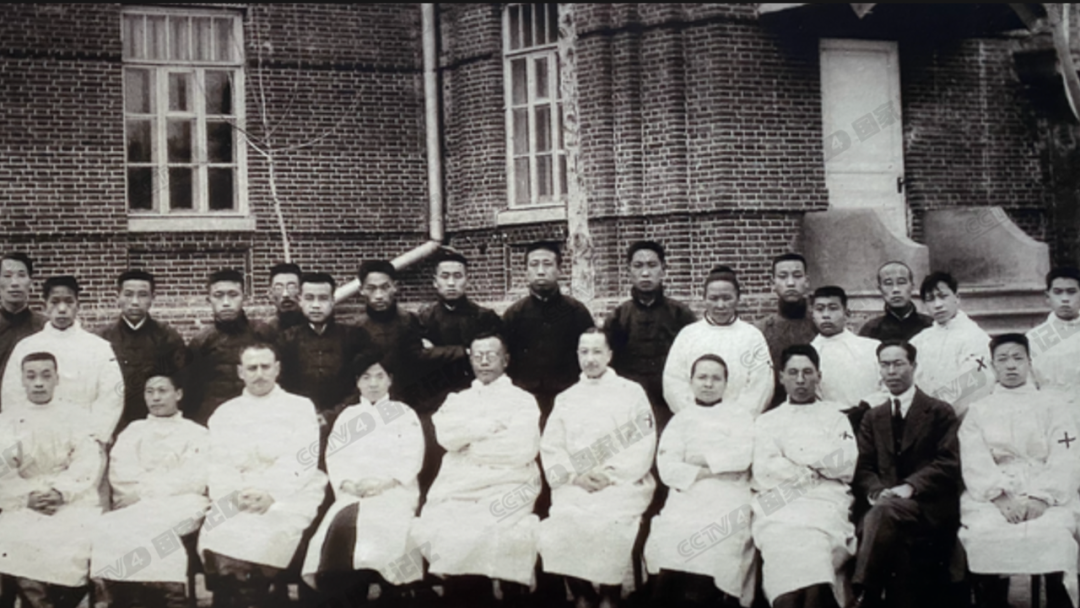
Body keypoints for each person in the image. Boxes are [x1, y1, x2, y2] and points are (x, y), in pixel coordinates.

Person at [411, 332, 541, 608]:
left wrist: (471, 445)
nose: (484, 362)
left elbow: (521, 448)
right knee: (444, 523)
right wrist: (486, 429)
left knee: (490, 525)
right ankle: (463, 593)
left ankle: (498, 592)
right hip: (461, 483)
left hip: (508, 481)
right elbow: (447, 437)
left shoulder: (523, 400)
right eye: (477, 356)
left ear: (505, 360)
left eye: (491, 355)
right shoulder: (457, 400)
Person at [198, 343, 327, 608]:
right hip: (238, 495)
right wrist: (236, 495)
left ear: (277, 369)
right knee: (223, 529)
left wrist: (271, 493)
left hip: (289, 491)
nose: (259, 374)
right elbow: (218, 463)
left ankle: (262, 594)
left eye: (265, 367)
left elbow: (301, 459)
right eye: (252, 368)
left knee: (268, 527)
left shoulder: (299, 407)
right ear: (240, 372)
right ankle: (240, 596)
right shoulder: (225, 413)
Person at [958, 333, 1080, 608]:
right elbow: (974, 459)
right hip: (995, 493)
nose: (1011, 365)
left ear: (1029, 363)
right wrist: (999, 497)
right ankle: (994, 600)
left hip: (1046, 488)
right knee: (984, 533)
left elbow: (1066, 455)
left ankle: (1057, 598)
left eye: (1017, 358)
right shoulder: (978, 410)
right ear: (993, 366)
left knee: (1054, 533)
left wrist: (1042, 497)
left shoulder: (1054, 406)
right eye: (1002, 359)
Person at [538, 328, 656, 608]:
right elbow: (552, 446)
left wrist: (611, 475)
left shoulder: (631, 392)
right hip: (576, 482)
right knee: (561, 521)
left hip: (622, 481)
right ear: (577, 355)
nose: (590, 359)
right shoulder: (566, 398)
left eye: (597, 351)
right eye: (584, 352)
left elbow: (643, 441)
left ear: (609, 355)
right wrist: (575, 476)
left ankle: (609, 592)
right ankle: (582, 592)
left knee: (609, 522)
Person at [302, 354, 425, 606]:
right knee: (342, 526)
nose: (373, 383)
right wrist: (349, 484)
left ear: (390, 380)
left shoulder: (404, 414)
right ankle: (349, 592)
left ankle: (394, 591)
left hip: (393, 491)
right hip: (353, 494)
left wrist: (384, 483)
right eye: (366, 377)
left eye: (380, 376)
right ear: (357, 382)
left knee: (387, 525)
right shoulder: (348, 416)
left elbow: (412, 456)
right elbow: (335, 457)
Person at [850, 341, 960, 608]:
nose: (891, 372)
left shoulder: (939, 411)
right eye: (885, 365)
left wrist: (910, 486)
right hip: (885, 504)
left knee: (879, 516)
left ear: (914, 366)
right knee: (884, 518)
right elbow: (863, 466)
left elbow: (948, 462)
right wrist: (877, 491)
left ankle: (863, 592)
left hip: (926, 504)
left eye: (898, 364)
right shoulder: (873, 417)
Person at [90, 369, 209, 608]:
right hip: (137, 502)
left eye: (162, 391)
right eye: (149, 392)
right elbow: (122, 474)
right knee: (111, 525)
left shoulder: (196, 433)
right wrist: (151, 491)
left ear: (178, 394)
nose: (155, 397)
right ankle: (124, 597)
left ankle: (169, 597)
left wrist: (148, 490)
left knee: (156, 525)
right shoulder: (133, 431)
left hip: (182, 504)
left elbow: (194, 478)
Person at [751, 344, 857, 608]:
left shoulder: (836, 418)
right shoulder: (767, 421)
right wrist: (816, 464)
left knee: (815, 541)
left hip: (825, 497)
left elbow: (845, 462)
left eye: (808, 372)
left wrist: (792, 458)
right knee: (782, 539)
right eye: (793, 372)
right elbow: (765, 469)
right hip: (779, 500)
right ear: (781, 377)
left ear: (818, 376)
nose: (801, 380)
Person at [645, 354, 755, 608]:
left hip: (728, 495)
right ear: (691, 381)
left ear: (726, 383)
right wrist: (713, 469)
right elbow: (668, 469)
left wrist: (695, 461)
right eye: (702, 377)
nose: (708, 384)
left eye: (716, 378)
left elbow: (741, 458)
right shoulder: (681, 420)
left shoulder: (740, 417)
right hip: (688, 494)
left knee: (716, 542)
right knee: (672, 534)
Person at [0, 352, 103, 608]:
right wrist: (26, 497)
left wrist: (60, 492)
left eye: (46, 376)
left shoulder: (76, 416)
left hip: (69, 499)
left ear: (57, 379)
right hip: (24, 500)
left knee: (73, 543)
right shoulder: (8, 420)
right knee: (15, 539)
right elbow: (3, 469)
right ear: (22, 380)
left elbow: (87, 460)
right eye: (31, 376)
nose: (38, 383)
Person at [415, 250, 502, 496]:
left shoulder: (484, 318)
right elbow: (418, 358)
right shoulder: (423, 319)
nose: (451, 282)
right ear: (435, 282)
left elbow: (492, 358)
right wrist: (464, 351)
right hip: (434, 399)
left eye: (457, 276)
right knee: (431, 459)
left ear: (467, 280)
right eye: (445, 276)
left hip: (475, 400)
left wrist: (437, 352)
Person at [2, 276, 123, 445]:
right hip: (35, 437)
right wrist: (24, 434)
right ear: (45, 305)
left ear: (78, 305)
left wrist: (95, 436)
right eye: (54, 302)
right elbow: (12, 394)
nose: (62, 309)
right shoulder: (26, 346)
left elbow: (112, 395)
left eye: (69, 302)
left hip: (84, 436)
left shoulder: (99, 348)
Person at [603, 240, 696, 432]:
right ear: (629, 271)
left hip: (671, 406)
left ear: (663, 270)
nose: (645, 273)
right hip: (629, 406)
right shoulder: (618, 317)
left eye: (652, 265)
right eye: (638, 266)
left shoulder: (680, 315)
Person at [502, 241, 596, 426]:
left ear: (559, 270)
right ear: (526, 271)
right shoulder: (514, 314)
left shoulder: (577, 312)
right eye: (534, 264)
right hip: (525, 402)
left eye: (547, 264)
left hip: (569, 400)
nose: (541, 271)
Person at [662, 265, 773, 417]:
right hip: (694, 421)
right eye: (713, 298)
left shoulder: (752, 336)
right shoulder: (688, 335)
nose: (720, 305)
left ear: (737, 299)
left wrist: (737, 417)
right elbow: (673, 381)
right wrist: (694, 415)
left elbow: (761, 385)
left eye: (727, 298)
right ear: (704, 299)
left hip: (739, 422)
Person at [97, 270, 188, 434]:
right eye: (128, 294)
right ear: (117, 297)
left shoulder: (167, 338)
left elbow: (180, 384)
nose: (135, 302)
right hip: (112, 424)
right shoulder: (102, 339)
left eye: (143, 295)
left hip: (157, 424)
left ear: (152, 298)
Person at [184, 269, 275, 425]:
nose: (226, 302)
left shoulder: (263, 333)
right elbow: (192, 393)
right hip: (216, 420)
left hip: (260, 417)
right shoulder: (201, 342)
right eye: (218, 296)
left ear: (244, 297)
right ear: (209, 299)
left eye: (233, 295)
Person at [278, 271, 372, 422]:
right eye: (309, 298)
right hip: (298, 418)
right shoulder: (286, 339)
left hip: (346, 418)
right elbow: (281, 385)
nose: (316, 305)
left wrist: (332, 415)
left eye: (323, 298)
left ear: (332, 301)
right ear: (300, 300)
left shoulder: (353, 337)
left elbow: (363, 383)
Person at [909, 272, 993, 419]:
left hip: (959, 419)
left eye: (943, 296)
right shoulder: (919, 340)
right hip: (920, 419)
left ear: (957, 298)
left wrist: (935, 413)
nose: (938, 305)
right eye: (930, 299)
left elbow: (977, 379)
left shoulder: (975, 337)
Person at [353, 260, 427, 407]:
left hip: (409, 402)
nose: (379, 295)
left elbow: (420, 364)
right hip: (371, 403)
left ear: (395, 287)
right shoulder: (355, 328)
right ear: (361, 290)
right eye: (371, 288)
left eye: (385, 287)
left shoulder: (410, 321)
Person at [755, 253, 817, 408]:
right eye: (783, 276)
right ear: (773, 283)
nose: (790, 283)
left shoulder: (820, 326)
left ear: (807, 281)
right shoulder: (761, 331)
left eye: (797, 276)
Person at [808, 286, 881, 413]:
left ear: (846, 313)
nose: (826, 315)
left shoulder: (871, 348)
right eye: (820, 309)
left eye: (833, 308)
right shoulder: (808, 355)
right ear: (812, 315)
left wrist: (866, 407)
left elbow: (888, 387)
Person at [1027, 266, 1080, 395]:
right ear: (1047, 297)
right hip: (1049, 402)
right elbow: (1028, 381)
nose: (1065, 299)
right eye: (1058, 292)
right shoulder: (1034, 338)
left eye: (1071, 292)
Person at [0, 252, 47, 396]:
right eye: (7, 276)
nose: (14, 283)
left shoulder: (45, 327)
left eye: (21, 275)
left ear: (30, 281)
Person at [858, 262, 933, 343]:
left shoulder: (930, 326)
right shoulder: (871, 330)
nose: (895, 289)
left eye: (901, 282)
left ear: (912, 286)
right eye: (888, 283)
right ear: (880, 289)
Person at [267, 262, 305, 333]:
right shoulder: (264, 331)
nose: (285, 294)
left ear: (302, 291)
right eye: (278, 288)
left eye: (292, 287)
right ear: (270, 294)